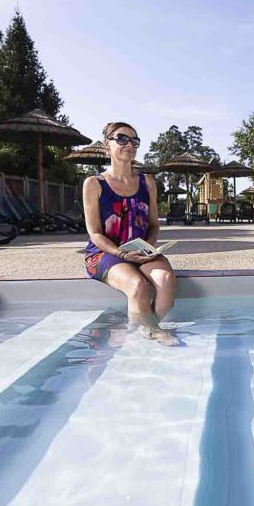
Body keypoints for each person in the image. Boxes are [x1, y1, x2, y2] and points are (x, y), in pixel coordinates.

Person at [83, 122, 178, 344]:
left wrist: (148, 249)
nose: (129, 144)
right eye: (122, 139)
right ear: (107, 145)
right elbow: (95, 233)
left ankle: (146, 330)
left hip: (140, 251)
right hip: (104, 253)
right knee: (137, 286)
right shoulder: (94, 184)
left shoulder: (147, 183)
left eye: (134, 141)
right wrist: (123, 254)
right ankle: (148, 335)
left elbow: (154, 225)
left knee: (165, 279)